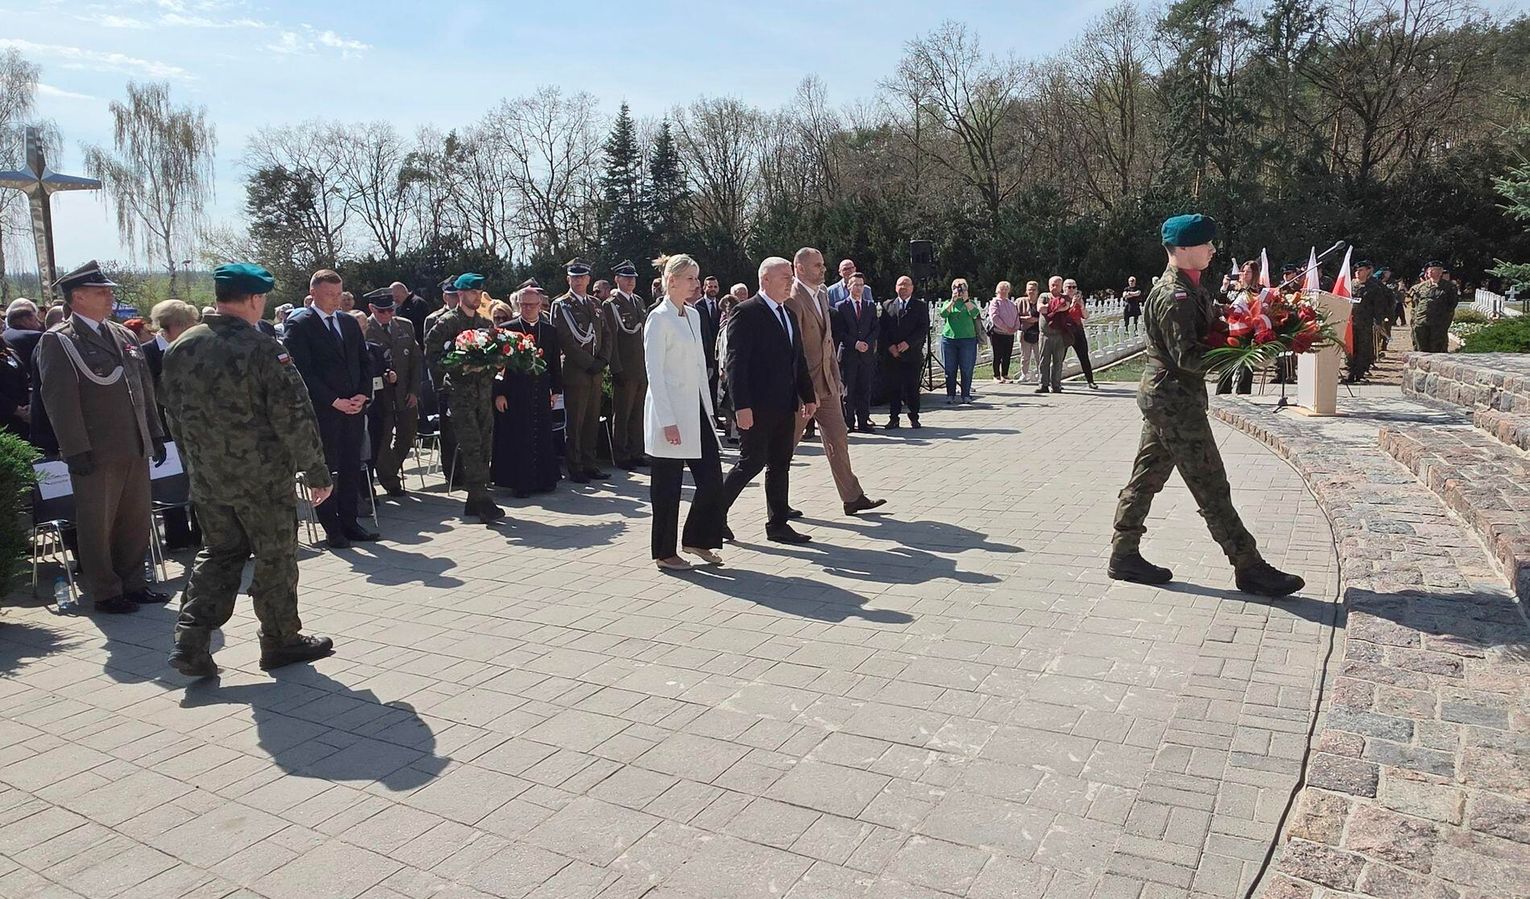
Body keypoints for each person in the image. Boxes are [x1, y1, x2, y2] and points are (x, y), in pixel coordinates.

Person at [1109, 214, 1305, 597]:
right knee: (1211, 485)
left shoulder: (1191, 288)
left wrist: (1252, 326)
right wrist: (1246, 352)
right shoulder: (1174, 296)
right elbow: (1188, 356)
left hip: (1169, 398)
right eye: (1206, 243)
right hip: (1174, 402)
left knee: (1146, 478)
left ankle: (1124, 553)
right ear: (1183, 248)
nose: (1213, 249)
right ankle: (1248, 566)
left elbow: (1211, 329)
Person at [162, 263, 335, 678]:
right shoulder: (262, 348)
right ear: (255, 299)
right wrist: (316, 469)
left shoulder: (182, 346)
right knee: (275, 556)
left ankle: (190, 642)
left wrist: (195, 462)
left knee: (219, 553)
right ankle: (280, 640)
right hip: (262, 479)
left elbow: (171, 412)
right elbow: (293, 414)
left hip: (209, 478)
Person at [35, 260, 166, 614]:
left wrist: (154, 433)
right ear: (77, 297)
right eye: (100, 292)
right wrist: (75, 448)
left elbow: (143, 388)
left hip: (134, 443)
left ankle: (134, 582)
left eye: (108, 291)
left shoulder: (123, 334)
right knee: (98, 523)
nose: (109, 296)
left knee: (135, 519)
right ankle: (106, 592)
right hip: (96, 448)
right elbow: (59, 399)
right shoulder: (60, 340)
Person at [720, 257, 818, 544]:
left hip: (784, 404)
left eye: (791, 276)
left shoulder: (788, 313)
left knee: (780, 464)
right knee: (751, 462)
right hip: (756, 406)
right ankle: (713, 515)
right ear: (765, 280)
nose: (790, 282)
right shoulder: (746, 312)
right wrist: (741, 406)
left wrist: (808, 395)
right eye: (785, 277)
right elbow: (736, 364)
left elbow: (797, 359)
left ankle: (777, 524)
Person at [282, 270, 378, 549]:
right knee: (326, 470)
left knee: (351, 466)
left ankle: (350, 522)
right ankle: (332, 528)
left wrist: (363, 394)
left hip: (353, 409)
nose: (336, 300)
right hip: (324, 412)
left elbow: (364, 361)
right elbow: (302, 372)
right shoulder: (300, 324)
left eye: (339, 294)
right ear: (313, 293)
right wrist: (333, 400)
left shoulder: (348, 322)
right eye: (329, 295)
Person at [786, 248, 886, 516]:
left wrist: (836, 377)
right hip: (803, 387)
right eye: (816, 265)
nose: (823, 269)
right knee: (787, 445)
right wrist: (802, 388)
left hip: (827, 383)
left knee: (838, 436)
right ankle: (777, 503)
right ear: (800, 268)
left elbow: (828, 341)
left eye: (822, 264)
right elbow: (795, 349)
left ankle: (852, 497)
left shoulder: (821, 293)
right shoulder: (793, 299)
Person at [644, 254, 725, 571]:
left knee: (712, 479)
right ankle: (665, 553)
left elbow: (700, 366)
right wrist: (667, 421)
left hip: (697, 410)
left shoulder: (693, 315)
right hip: (670, 414)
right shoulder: (658, 318)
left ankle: (697, 538)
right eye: (690, 278)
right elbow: (655, 373)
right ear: (672, 281)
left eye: (697, 277)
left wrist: (710, 410)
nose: (696, 284)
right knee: (668, 487)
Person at [426, 273, 505, 525]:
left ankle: (474, 500)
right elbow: (432, 355)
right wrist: (457, 367)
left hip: (483, 393)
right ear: (460, 294)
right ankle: (482, 500)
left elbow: (494, 354)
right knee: (471, 446)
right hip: (460, 394)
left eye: (479, 292)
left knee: (485, 444)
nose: (477, 297)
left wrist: (494, 365)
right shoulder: (447, 322)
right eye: (472, 292)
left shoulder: (484, 322)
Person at [142, 299, 203, 549]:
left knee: (199, 483)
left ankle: (201, 533)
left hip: (194, 428)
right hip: (164, 429)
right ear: (173, 325)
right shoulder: (147, 353)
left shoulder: (193, 349)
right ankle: (177, 537)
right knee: (171, 484)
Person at [493, 282, 562, 497]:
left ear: (540, 305)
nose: (528, 308)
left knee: (541, 435)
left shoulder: (549, 330)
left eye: (532, 305)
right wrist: (499, 393)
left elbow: (554, 363)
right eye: (524, 305)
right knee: (519, 437)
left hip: (540, 391)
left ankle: (544, 480)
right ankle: (520, 482)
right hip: (515, 392)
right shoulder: (507, 329)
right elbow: (498, 366)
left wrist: (556, 391)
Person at [552, 258, 611, 484]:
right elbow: (565, 340)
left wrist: (603, 359)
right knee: (575, 423)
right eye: (574, 277)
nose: (578, 281)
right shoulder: (561, 305)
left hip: (596, 371)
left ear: (588, 279)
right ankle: (575, 466)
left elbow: (606, 334)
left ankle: (590, 463)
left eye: (582, 277)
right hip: (576, 371)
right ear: (568, 279)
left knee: (591, 420)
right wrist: (589, 363)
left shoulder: (595, 304)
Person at [362, 288, 421, 497]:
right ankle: (390, 480)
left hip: (404, 392)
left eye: (391, 310)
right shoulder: (364, 328)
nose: (388, 314)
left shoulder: (404, 325)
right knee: (383, 438)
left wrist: (414, 390)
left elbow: (415, 361)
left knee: (407, 434)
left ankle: (388, 470)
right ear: (372, 308)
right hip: (380, 396)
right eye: (382, 311)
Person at [605, 260, 649, 470]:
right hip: (625, 366)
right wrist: (616, 368)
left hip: (641, 366)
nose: (630, 281)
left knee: (638, 413)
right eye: (626, 277)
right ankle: (621, 455)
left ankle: (637, 451)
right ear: (617, 279)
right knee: (622, 413)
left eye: (632, 278)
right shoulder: (611, 304)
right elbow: (611, 339)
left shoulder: (638, 301)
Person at [832, 271, 879, 432]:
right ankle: (849, 423)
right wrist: (855, 343)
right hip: (849, 354)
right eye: (855, 285)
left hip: (866, 355)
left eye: (861, 285)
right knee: (849, 390)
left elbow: (875, 328)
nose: (858, 288)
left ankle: (864, 422)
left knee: (864, 389)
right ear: (849, 287)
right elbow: (840, 331)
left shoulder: (870, 306)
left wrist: (867, 343)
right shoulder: (841, 306)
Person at [881, 275, 929, 429]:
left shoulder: (920, 306)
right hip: (893, 355)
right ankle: (894, 417)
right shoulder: (887, 305)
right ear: (896, 288)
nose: (903, 287)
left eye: (906, 284)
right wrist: (890, 346)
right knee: (893, 387)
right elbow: (883, 329)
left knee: (912, 387)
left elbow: (922, 329)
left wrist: (908, 343)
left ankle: (914, 416)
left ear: (912, 288)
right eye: (900, 284)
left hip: (911, 354)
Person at [423, 279, 461, 467]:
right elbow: (431, 354)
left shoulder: (468, 316)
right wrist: (440, 382)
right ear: (445, 297)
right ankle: (451, 471)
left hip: (469, 383)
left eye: (458, 295)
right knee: (449, 432)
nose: (457, 299)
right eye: (453, 296)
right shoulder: (435, 319)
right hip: (445, 383)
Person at [1216, 261, 1259, 395]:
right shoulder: (1233, 288)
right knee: (1227, 362)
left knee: (1246, 365)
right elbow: (1221, 302)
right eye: (1243, 271)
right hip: (1230, 330)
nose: (1244, 274)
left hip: (1247, 332)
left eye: (1248, 272)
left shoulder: (1257, 290)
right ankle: (1222, 392)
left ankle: (1243, 392)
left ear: (1254, 274)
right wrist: (1224, 286)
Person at [937, 278, 981, 403]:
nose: (959, 291)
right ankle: (950, 395)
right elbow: (943, 314)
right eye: (956, 288)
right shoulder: (948, 302)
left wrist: (966, 300)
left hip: (967, 339)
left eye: (962, 288)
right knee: (950, 369)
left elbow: (975, 314)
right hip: (949, 339)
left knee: (966, 368)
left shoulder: (970, 302)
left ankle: (966, 395)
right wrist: (953, 300)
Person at [1408, 260, 1460, 353]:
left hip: (1439, 323)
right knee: (1421, 348)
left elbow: (1452, 304)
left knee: (1438, 349)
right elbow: (1414, 305)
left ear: (1441, 272)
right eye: (1430, 270)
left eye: (1436, 270)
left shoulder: (1449, 287)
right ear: (1427, 273)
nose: (1433, 272)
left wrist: (1444, 318)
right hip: (1421, 322)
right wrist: (1415, 320)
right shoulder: (1418, 288)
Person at [1035, 276, 1075, 394]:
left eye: (1057, 285)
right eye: (1052, 285)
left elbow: (1065, 307)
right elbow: (1040, 309)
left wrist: (1050, 307)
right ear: (1049, 285)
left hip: (1059, 335)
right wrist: (1055, 307)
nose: (1054, 287)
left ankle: (1056, 385)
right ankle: (1043, 384)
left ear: (1061, 286)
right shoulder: (1044, 296)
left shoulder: (1065, 297)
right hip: (1045, 335)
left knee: (1058, 361)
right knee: (1044, 360)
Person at [696, 276, 724, 411]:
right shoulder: (698, 306)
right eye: (710, 286)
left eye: (715, 286)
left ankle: (716, 414)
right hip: (705, 351)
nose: (712, 289)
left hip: (719, 352)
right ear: (704, 288)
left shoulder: (722, 306)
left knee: (717, 387)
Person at [1065, 280, 1098, 389]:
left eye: (1074, 287)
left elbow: (1086, 316)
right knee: (1060, 357)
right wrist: (1072, 304)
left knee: (1084, 356)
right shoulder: (1062, 299)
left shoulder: (1079, 300)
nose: (1072, 289)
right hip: (1065, 331)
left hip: (1078, 330)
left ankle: (1090, 381)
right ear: (1064, 288)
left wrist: (1082, 306)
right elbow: (1063, 315)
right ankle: (1055, 381)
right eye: (1069, 287)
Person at [984, 281, 1020, 383]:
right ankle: (996, 375)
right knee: (997, 355)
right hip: (997, 333)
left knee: (1007, 355)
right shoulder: (995, 302)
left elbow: (1017, 316)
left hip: (1010, 334)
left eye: (1006, 289)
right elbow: (994, 317)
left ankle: (1005, 374)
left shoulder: (1011, 304)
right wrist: (1005, 328)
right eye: (1002, 289)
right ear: (997, 290)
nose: (1004, 291)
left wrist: (1015, 327)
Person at [3, 298, 44, 368]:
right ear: (25, 320)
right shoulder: (35, 337)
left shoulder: (4, 336)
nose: (39, 325)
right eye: (36, 320)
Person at [392, 280, 433, 347]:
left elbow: (419, 326)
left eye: (396, 296)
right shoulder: (399, 307)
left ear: (404, 292)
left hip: (420, 343)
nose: (394, 299)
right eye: (393, 297)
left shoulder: (417, 303)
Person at [1016, 281, 1041, 383]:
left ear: (1037, 291)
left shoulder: (1041, 301)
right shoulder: (1020, 301)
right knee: (1025, 355)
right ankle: (1024, 374)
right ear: (1026, 291)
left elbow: (1047, 315)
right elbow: (1014, 316)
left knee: (1039, 355)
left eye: (1034, 290)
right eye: (1029, 289)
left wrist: (1036, 320)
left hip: (1039, 332)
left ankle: (1041, 374)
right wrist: (1026, 319)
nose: (1031, 292)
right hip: (1025, 331)